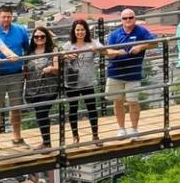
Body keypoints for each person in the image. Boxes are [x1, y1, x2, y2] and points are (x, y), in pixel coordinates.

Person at [0, 4, 33, 147]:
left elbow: (27, 49)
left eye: (9, 17)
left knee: (16, 107)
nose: (6, 19)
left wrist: (27, 66)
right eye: (3, 17)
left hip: (16, 74)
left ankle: (17, 137)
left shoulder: (20, 30)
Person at [104, 8, 157, 136]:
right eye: (125, 18)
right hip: (115, 72)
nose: (128, 20)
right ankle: (121, 128)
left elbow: (154, 42)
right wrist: (117, 52)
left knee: (133, 102)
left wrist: (141, 46)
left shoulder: (141, 31)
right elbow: (107, 52)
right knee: (118, 101)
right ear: (121, 20)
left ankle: (134, 129)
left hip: (133, 74)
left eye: (130, 17)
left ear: (135, 18)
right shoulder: (115, 34)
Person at [62, 18, 103, 142]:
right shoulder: (68, 45)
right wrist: (66, 56)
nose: (80, 32)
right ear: (74, 31)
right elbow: (60, 57)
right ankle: (75, 136)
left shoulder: (92, 43)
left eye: (82, 30)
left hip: (88, 82)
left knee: (92, 108)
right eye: (77, 30)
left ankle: (95, 135)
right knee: (72, 109)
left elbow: (103, 49)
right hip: (72, 83)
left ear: (86, 31)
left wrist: (97, 49)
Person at [21, 28, 62, 148]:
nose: (39, 39)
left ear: (47, 37)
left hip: (49, 88)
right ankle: (45, 141)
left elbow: (58, 68)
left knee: (42, 112)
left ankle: (47, 143)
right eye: (36, 37)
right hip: (33, 89)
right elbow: (26, 70)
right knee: (40, 114)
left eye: (42, 36)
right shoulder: (29, 52)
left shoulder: (53, 50)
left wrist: (51, 69)